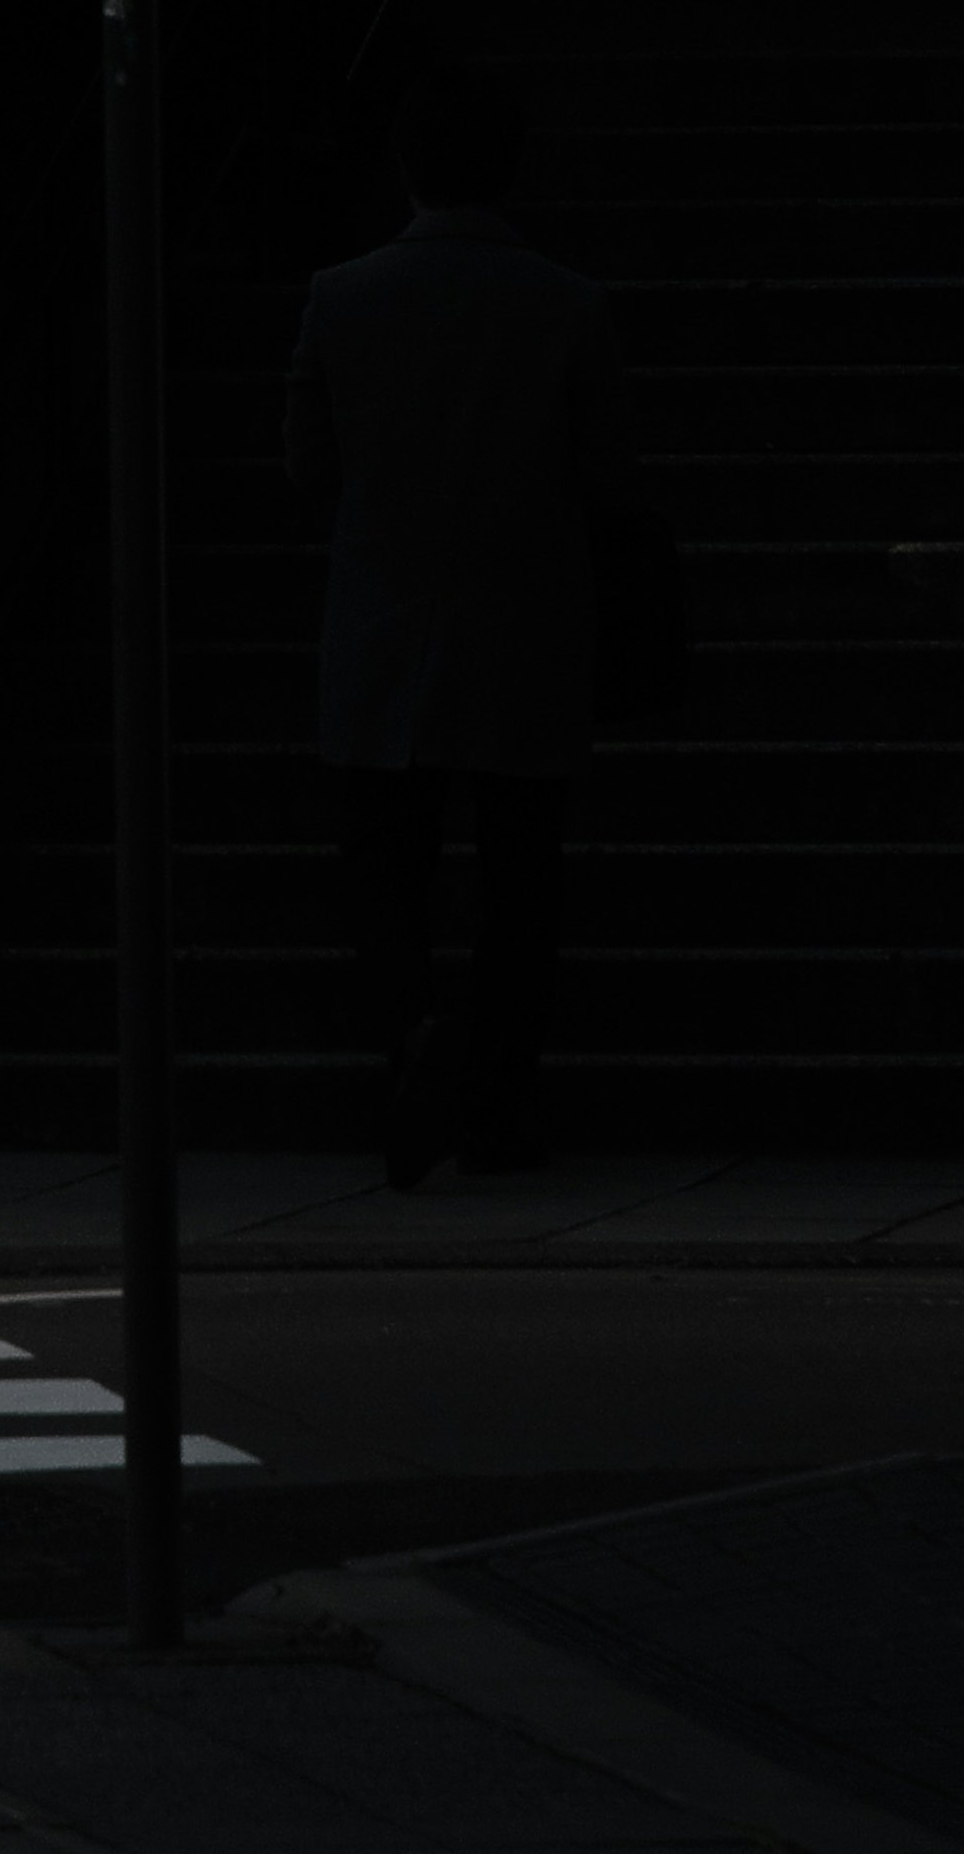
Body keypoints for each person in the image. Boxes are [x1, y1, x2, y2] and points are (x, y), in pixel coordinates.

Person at [285, 60, 640, 1185]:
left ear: (407, 164)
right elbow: (608, 473)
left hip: (386, 620)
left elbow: (305, 466)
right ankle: (494, 1094)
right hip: (527, 620)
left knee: (386, 867)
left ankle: (413, 1037)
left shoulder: (340, 296)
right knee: (520, 881)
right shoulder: (569, 303)